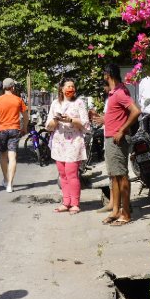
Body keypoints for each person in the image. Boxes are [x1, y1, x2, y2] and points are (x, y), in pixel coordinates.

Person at [101, 64, 141, 226]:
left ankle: (126, 213)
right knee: (115, 177)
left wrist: (122, 131)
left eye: (104, 73)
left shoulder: (119, 93)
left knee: (122, 176)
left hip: (117, 140)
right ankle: (116, 210)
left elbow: (136, 111)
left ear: (107, 75)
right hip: (111, 139)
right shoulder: (113, 93)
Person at [46, 78, 90, 214]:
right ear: (62, 89)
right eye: (68, 86)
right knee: (62, 175)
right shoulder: (55, 104)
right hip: (59, 143)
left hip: (74, 143)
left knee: (72, 174)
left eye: (73, 86)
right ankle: (66, 202)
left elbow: (85, 124)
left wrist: (70, 120)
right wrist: (56, 120)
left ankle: (75, 203)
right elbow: (48, 126)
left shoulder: (79, 103)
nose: (71, 89)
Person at [0, 77, 29, 192]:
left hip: (2, 130)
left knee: (3, 156)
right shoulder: (18, 100)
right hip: (14, 130)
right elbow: (26, 117)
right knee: (12, 157)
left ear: (3, 88)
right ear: (13, 87)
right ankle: (10, 185)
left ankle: (6, 179)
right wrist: (24, 128)